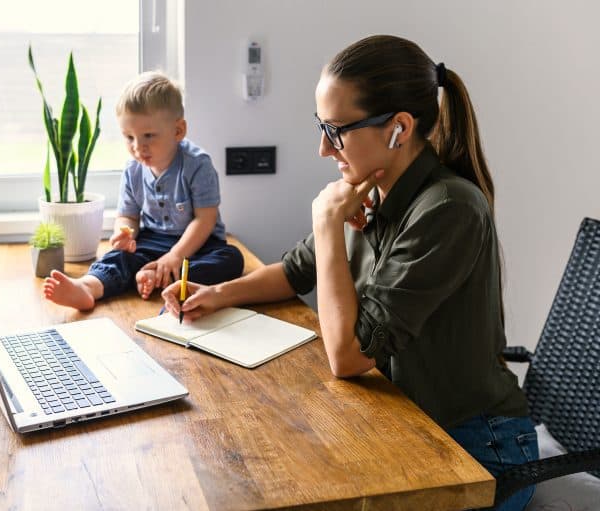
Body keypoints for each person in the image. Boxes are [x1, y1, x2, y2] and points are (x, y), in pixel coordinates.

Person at [162, 35, 536, 511]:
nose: (323, 148)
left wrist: (326, 221)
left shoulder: (449, 210)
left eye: (337, 129)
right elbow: (297, 272)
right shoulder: (371, 188)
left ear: (398, 128)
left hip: (477, 447)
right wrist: (216, 292)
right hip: (400, 417)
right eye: (322, 126)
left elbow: (349, 355)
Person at [44, 72, 244, 311]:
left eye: (148, 136)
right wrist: (125, 232)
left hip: (198, 244)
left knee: (230, 259)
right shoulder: (133, 170)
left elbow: (205, 219)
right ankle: (89, 287)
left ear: (178, 131)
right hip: (152, 241)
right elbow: (128, 216)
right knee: (116, 259)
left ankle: (165, 277)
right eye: (129, 137)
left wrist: (176, 255)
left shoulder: (197, 164)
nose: (138, 147)